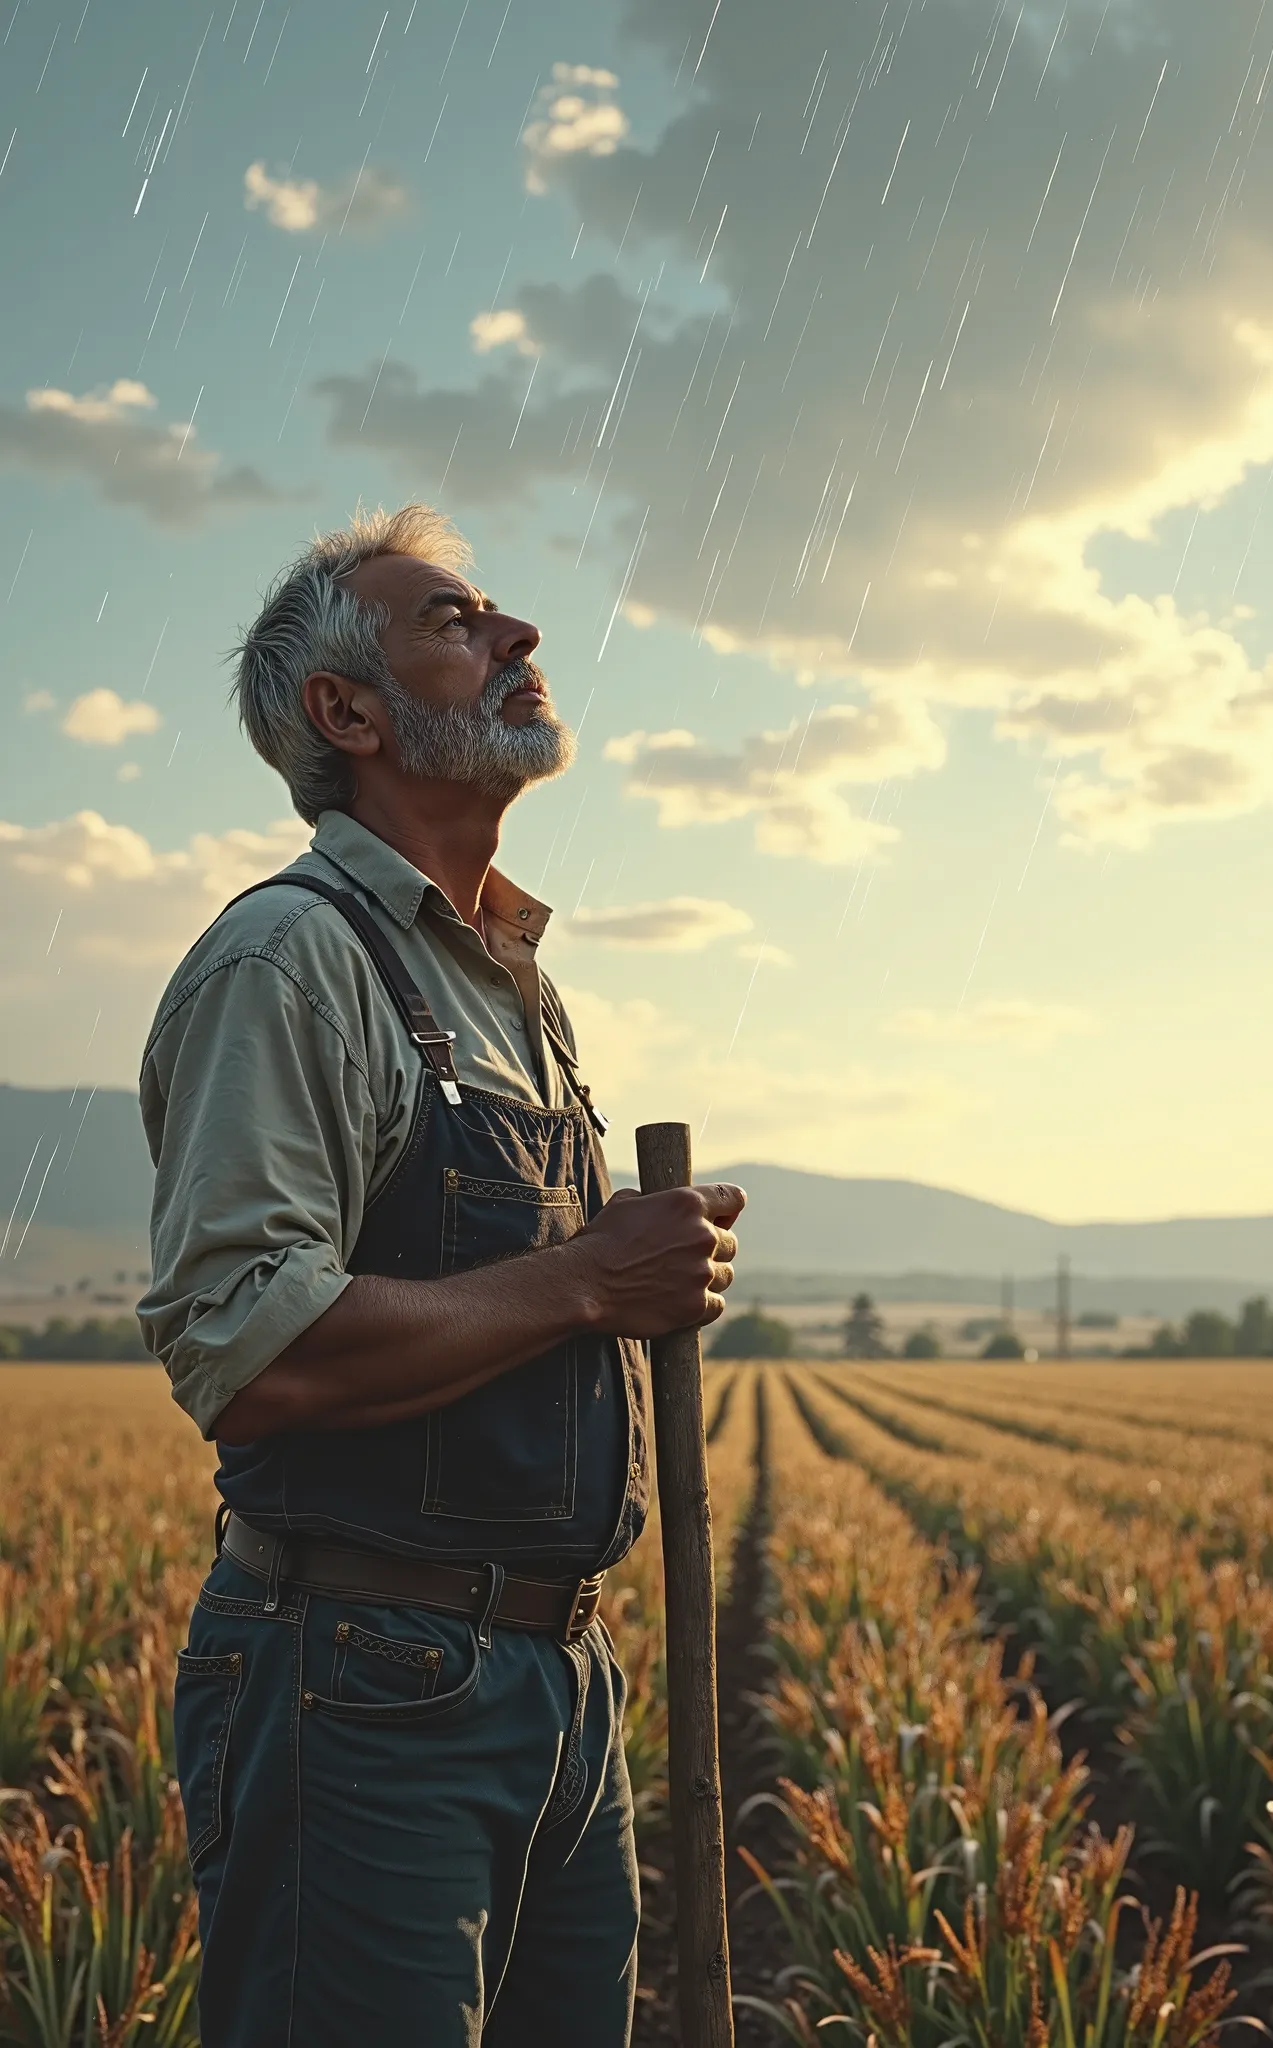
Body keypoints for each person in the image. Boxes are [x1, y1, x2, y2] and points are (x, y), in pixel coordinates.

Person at [137, 503, 746, 2048]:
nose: (519, 634)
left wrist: (625, 1282)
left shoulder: (505, 983)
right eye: (457, 620)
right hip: (364, 1685)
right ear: (347, 714)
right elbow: (249, 1350)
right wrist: (594, 1282)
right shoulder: (292, 959)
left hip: (558, 1682)